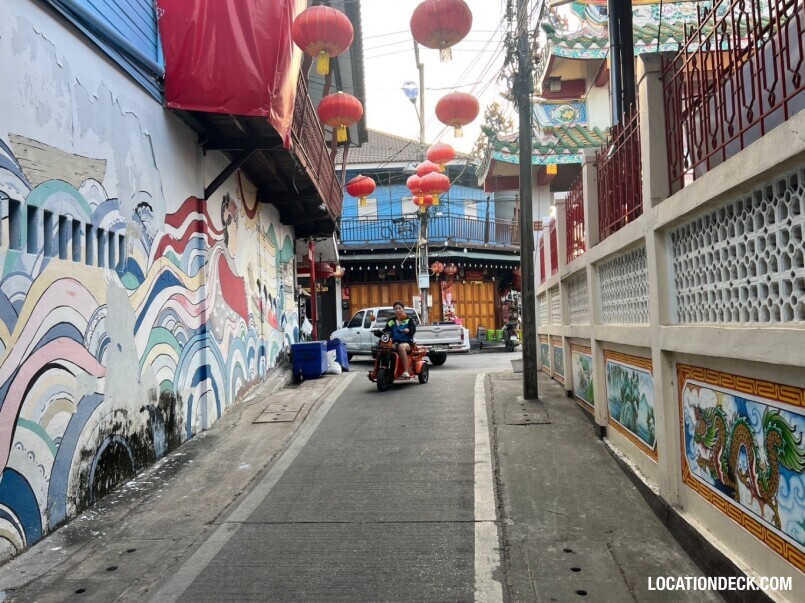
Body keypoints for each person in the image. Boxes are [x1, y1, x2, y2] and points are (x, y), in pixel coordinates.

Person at [383, 301, 416, 378]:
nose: (398, 310)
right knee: (386, 346)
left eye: (399, 308)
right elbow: (386, 330)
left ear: (403, 309)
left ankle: (406, 371)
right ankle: (386, 368)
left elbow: (413, 330)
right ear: (393, 310)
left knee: (401, 347)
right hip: (394, 343)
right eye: (395, 309)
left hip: (407, 343)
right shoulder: (391, 321)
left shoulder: (409, 320)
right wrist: (379, 333)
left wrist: (408, 330)